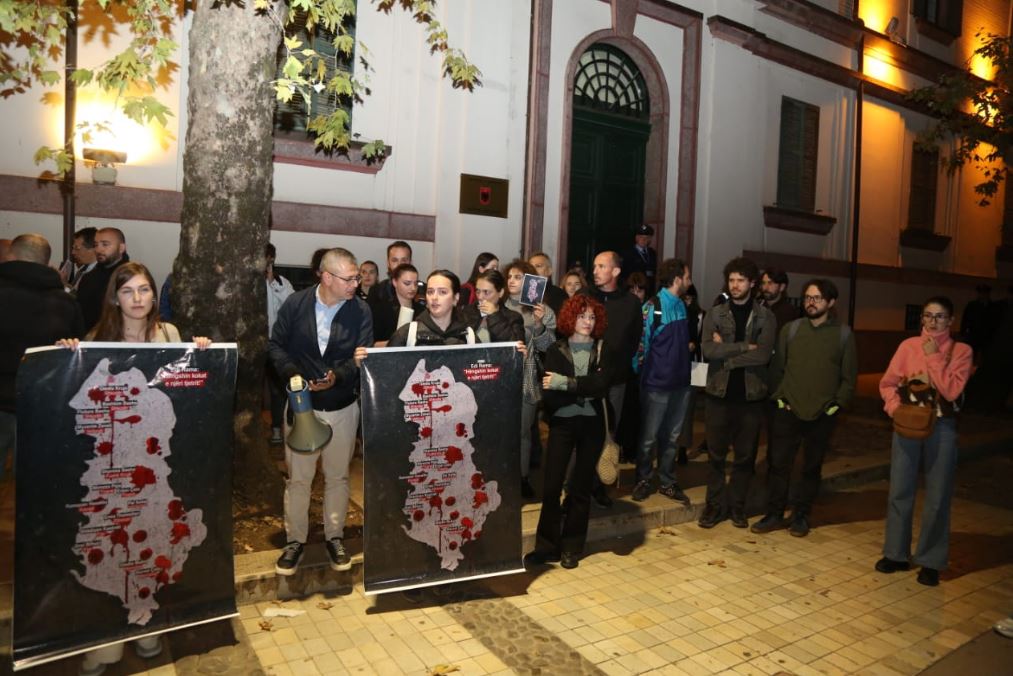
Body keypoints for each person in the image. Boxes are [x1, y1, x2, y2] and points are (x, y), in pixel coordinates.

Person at [57, 260, 209, 676]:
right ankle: (104, 641)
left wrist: (203, 355)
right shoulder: (96, 339)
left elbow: (185, 385)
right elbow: (77, 399)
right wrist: (67, 357)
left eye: (144, 290)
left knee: (151, 542)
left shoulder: (170, 334)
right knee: (109, 545)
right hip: (112, 465)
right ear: (115, 297)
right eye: (129, 292)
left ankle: (144, 625)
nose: (138, 299)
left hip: (154, 463)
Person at [269, 248, 372, 576]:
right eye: (349, 278)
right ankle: (295, 540)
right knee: (299, 479)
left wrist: (337, 377)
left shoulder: (360, 311)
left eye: (356, 276)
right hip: (303, 409)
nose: (355, 283)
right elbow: (275, 346)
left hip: (342, 406)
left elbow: (361, 356)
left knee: (338, 477)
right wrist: (292, 374)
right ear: (326, 277)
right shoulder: (296, 305)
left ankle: (334, 537)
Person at [875, 297, 973, 587]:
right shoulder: (907, 347)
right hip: (907, 424)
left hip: (942, 427)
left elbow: (952, 391)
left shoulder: (962, 351)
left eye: (940, 317)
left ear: (950, 321)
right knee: (899, 490)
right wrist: (894, 408)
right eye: (928, 316)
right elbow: (888, 382)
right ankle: (895, 554)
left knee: (938, 495)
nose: (932, 322)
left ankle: (930, 560)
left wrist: (933, 356)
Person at [752, 279, 857, 537]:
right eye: (808, 297)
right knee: (778, 464)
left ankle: (801, 515)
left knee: (811, 467)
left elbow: (849, 378)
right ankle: (775, 513)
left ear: (831, 303)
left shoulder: (843, 335)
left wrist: (835, 406)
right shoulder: (791, 330)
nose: (811, 302)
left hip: (822, 414)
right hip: (787, 410)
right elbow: (777, 370)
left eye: (817, 298)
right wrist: (779, 398)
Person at [525, 295, 612, 570]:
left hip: (593, 426)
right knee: (551, 487)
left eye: (592, 317)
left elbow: (602, 385)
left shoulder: (603, 349)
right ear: (570, 318)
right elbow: (549, 393)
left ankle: (572, 547)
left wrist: (567, 383)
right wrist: (580, 388)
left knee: (580, 488)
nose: (587, 322)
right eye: (581, 316)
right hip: (562, 423)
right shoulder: (556, 350)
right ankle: (547, 547)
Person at [698, 257, 775, 529]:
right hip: (718, 394)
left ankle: (737, 507)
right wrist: (745, 347)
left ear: (752, 284)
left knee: (745, 457)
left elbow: (764, 355)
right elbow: (708, 350)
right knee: (716, 456)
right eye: (731, 280)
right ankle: (714, 506)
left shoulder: (766, 317)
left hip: (751, 398)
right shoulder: (715, 314)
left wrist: (728, 353)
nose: (735, 285)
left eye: (740, 280)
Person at [1, 234, 84, 481]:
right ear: (47, 263)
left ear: (10, 257)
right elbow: (77, 352)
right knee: (30, 484)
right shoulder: (67, 302)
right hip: (42, 402)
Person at [630, 259, 694, 505]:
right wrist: (641, 375)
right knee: (649, 437)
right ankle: (643, 479)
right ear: (677, 279)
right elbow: (640, 345)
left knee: (672, 437)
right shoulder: (652, 307)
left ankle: (667, 481)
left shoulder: (681, 306)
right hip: (656, 385)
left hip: (681, 384)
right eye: (687, 276)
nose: (689, 281)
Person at [590, 251, 643, 507]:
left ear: (616, 271)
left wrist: (616, 365)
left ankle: (600, 485)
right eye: (595, 266)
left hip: (616, 382)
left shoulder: (631, 303)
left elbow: (633, 341)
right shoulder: (585, 297)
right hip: (586, 380)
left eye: (602, 266)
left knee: (608, 434)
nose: (596, 270)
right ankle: (578, 482)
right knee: (583, 431)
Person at [504, 260, 556, 499]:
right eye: (510, 277)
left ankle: (522, 477)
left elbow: (549, 347)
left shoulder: (541, 310)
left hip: (527, 376)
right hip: (500, 378)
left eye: (518, 277)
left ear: (530, 282)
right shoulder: (497, 305)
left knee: (523, 431)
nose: (512, 281)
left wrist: (538, 324)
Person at [387, 270, 476, 347]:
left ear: (456, 298)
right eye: (430, 292)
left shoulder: (468, 336)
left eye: (442, 292)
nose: (434, 297)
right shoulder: (408, 334)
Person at [266, 243, 295, 444]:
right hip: (255, 343)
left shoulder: (282, 282)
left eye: (269, 259)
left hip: (277, 344)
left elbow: (292, 306)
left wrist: (272, 282)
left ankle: (277, 427)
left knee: (278, 388)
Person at [76, 227, 130, 331]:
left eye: (105, 244)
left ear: (121, 248)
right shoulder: (88, 278)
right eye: (96, 245)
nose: (99, 250)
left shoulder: (130, 277)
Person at [460, 269, 525, 343]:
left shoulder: (513, 317)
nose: (480, 297)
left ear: (500, 293)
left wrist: (495, 316)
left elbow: (516, 347)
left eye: (486, 292)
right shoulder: (467, 312)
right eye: (478, 291)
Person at [370, 263, 425, 346]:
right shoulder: (381, 309)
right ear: (395, 282)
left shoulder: (422, 311)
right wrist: (396, 342)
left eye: (415, 283)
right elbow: (372, 344)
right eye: (407, 283)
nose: (413, 288)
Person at [620, 224, 658, 295]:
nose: (644, 240)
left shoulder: (652, 253)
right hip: (634, 289)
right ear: (636, 238)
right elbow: (624, 274)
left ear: (650, 239)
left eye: (646, 238)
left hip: (648, 290)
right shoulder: (628, 253)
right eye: (641, 237)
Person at [760, 267, 800, 333]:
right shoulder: (758, 307)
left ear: (782, 287)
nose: (765, 288)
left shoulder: (790, 313)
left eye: (770, 283)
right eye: (763, 283)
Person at [59, 227, 98, 292]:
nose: (73, 252)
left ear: (92, 249)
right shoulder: (83, 267)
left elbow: (80, 298)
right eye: (73, 248)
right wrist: (65, 283)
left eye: (77, 249)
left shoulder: (97, 275)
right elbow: (75, 290)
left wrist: (64, 285)